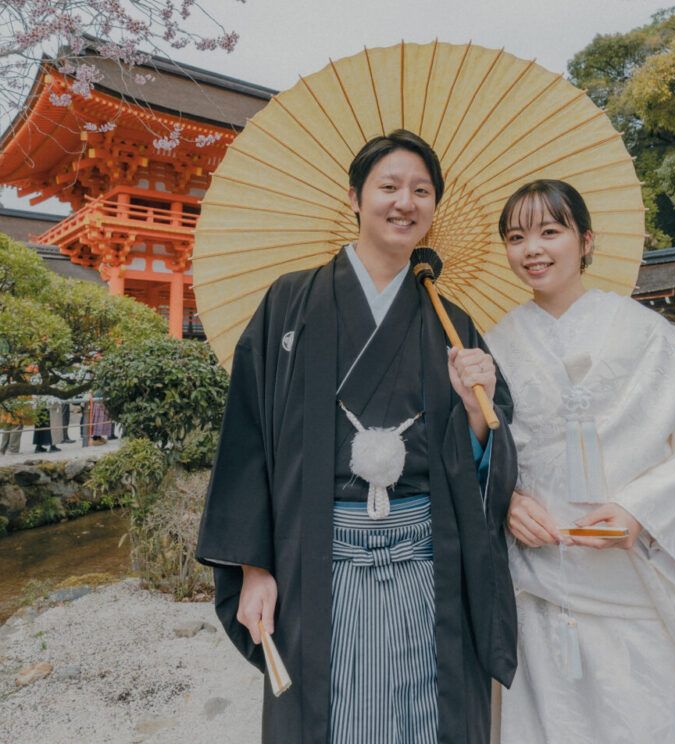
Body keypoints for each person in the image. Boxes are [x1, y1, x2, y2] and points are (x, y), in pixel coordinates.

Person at [196, 130, 518, 744]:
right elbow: (247, 440)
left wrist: (478, 411)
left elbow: (485, 457)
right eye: (389, 187)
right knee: (330, 717)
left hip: (427, 557)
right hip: (314, 559)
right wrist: (254, 568)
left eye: (421, 191)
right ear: (355, 197)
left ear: (433, 209)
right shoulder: (290, 303)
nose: (405, 203)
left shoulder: (454, 323)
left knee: (427, 717)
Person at [485, 178, 675, 744]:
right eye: (516, 237)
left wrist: (638, 509)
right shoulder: (495, 344)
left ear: (586, 240)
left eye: (551, 231)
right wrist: (509, 501)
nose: (532, 250)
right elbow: (486, 456)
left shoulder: (648, 335)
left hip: (637, 577)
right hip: (542, 583)